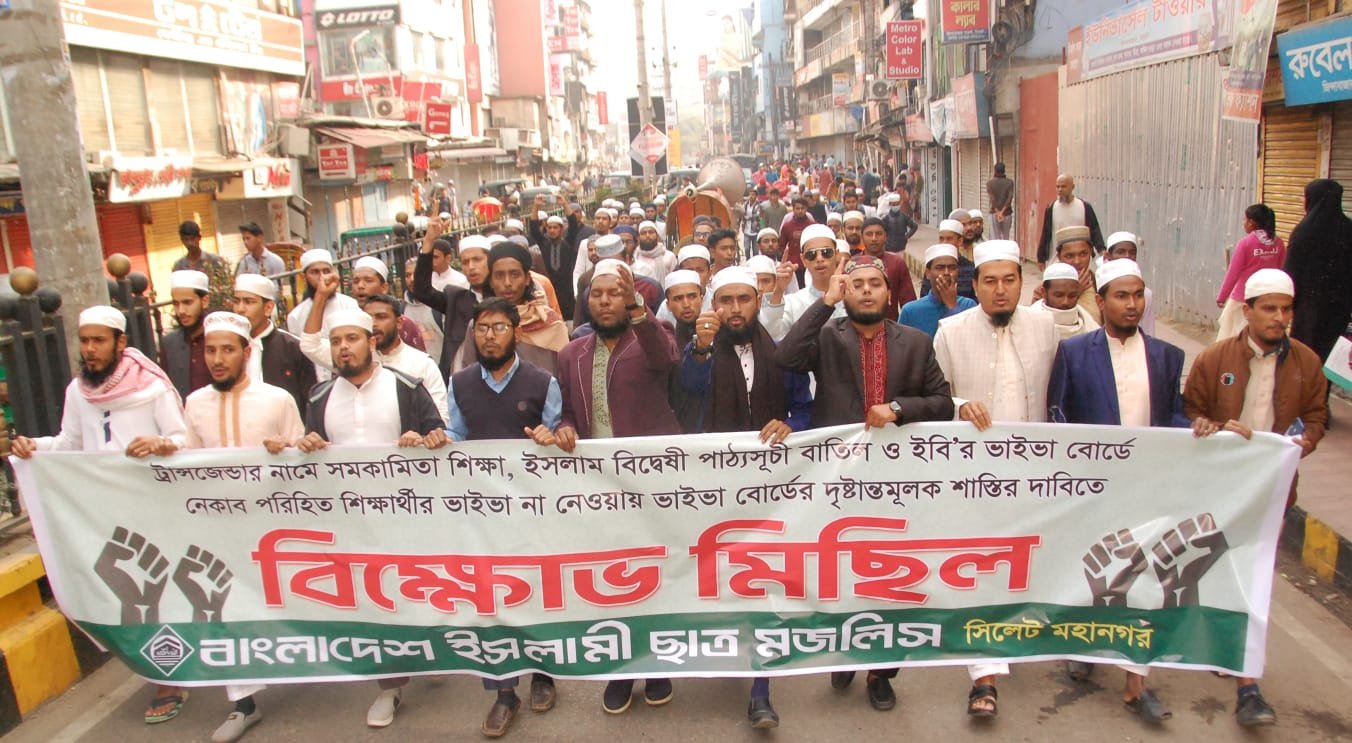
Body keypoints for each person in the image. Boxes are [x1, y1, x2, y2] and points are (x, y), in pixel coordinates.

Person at [775, 253, 953, 707]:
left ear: (889, 292)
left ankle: (881, 671)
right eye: (857, 285)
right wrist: (825, 303)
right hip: (837, 479)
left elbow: (942, 402)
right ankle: (844, 652)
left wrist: (898, 409)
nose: (867, 291)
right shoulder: (827, 336)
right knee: (839, 573)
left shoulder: (915, 342)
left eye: (875, 283)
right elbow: (786, 357)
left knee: (889, 577)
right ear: (845, 292)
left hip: (897, 481)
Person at [9, 306, 188, 726]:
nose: (90, 350)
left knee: (157, 593)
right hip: (102, 512)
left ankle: (169, 680)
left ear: (120, 343)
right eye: (85, 341)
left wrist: (160, 444)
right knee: (127, 597)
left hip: (152, 508)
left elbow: (183, 438)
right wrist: (34, 447)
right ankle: (158, 667)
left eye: (99, 341)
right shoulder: (79, 391)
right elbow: (69, 442)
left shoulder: (152, 388)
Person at [1046, 260, 1188, 725]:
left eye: (1138, 295)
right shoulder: (1074, 353)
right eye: (1122, 296)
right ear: (1102, 301)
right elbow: (1058, 416)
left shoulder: (1167, 357)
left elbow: (1175, 417)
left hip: (1149, 486)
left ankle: (1135, 682)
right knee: (1094, 571)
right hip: (1095, 489)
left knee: (1145, 579)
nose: (1132, 305)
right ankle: (1084, 646)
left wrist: (1204, 429)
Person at [1184, 268, 1327, 728]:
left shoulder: (1306, 363)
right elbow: (1190, 410)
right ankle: (1220, 644)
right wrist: (1208, 426)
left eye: (1286, 309)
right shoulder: (1215, 359)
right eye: (1269, 309)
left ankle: (1248, 684)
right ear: (1247, 311)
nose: (1279, 318)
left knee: (1255, 575)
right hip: (1220, 491)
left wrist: (1305, 441)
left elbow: (1317, 415)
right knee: (1218, 569)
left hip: (1271, 491)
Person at [294, 308, 448, 730]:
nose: (344, 348)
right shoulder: (319, 398)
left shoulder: (406, 387)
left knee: (414, 594)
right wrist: (307, 445)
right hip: (351, 524)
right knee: (374, 602)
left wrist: (424, 439)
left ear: (372, 341)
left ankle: (429, 648)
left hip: (407, 519)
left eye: (352, 339)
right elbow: (312, 454)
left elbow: (440, 437)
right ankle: (389, 686)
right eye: (336, 342)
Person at [676, 269, 810, 728]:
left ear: (758, 301)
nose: (735, 309)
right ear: (714, 306)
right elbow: (686, 394)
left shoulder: (782, 353)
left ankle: (760, 687)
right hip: (714, 485)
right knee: (720, 575)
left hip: (773, 486)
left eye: (744, 300)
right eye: (726, 300)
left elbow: (805, 407)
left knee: (762, 578)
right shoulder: (699, 351)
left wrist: (791, 425)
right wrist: (700, 349)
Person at [933, 240, 1059, 719]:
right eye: (990, 281)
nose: (1000, 290)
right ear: (976, 285)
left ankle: (1025, 636)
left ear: (1023, 283)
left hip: (1035, 475)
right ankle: (984, 677)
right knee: (982, 569)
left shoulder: (1046, 327)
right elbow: (934, 398)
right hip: (974, 477)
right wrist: (958, 405)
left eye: (1009, 280)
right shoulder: (950, 332)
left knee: (1028, 565)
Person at [551, 261, 679, 715]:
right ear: (586, 301)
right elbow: (568, 408)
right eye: (598, 294)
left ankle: (658, 664)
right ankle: (620, 668)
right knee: (611, 578)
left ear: (631, 297)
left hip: (650, 482)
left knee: (654, 573)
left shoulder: (654, 335)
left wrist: (640, 310)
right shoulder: (572, 352)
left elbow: (666, 360)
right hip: (598, 485)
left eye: (616, 293)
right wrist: (565, 427)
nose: (606, 301)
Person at [172, 311, 303, 743]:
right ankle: (242, 704)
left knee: (287, 601)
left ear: (247, 352)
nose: (217, 359)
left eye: (227, 350)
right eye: (211, 350)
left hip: (272, 527)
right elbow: (189, 461)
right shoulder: (195, 403)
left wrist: (286, 448)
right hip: (218, 526)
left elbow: (304, 459)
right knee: (223, 606)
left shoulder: (277, 400)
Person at [445, 297, 561, 737]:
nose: (489, 337)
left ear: (516, 331)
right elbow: (456, 435)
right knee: (490, 601)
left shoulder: (543, 382)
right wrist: (437, 439)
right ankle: (503, 692)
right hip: (482, 514)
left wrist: (551, 437)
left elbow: (558, 437)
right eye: (482, 329)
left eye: (498, 328)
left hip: (532, 512)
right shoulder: (459, 383)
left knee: (535, 594)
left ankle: (544, 675)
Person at [1284, 179, 1352, 365]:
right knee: (1331, 358)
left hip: (1308, 309)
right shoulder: (1348, 229)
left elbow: (1290, 273)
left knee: (1304, 356)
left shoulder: (1304, 232)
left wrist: (1287, 304)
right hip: (1340, 309)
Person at [232, 274, 316, 416]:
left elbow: (309, 403)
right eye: (236, 301)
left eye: (248, 302)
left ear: (268, 307)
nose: (240, 309)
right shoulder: (228, 348)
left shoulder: (293, 348)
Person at [410, 224, 479, 375]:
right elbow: (422, 292)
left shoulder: (504, 297)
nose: (471, 267)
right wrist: (428, 242)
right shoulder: (457, 299)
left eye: (477, 260)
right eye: (465, 262)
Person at [762, 224, 845, 340]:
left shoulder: (852, 297)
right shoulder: (793, 303)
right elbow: (771, 334)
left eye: (826, 252)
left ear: (837, 255)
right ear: (803, 260)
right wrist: (778, 291)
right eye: (811, 255)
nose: (819, 259)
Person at [286, 248, 359, 377]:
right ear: (304, 277)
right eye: (315, 272)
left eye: (326, 271)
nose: (322, 277)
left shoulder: (350, 305)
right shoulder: (295, 316)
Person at [1216, 205, 1284, 341]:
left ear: (1251, 222)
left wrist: (1222, 296)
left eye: (1244, 219)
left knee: (1235, 338)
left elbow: (1233, 273)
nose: (1243, 223)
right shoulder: (1278, 243)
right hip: (1268, 298)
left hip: (1244, 299)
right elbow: (1282, 271)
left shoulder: (1246, 243)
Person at [348, 256, 428, 350]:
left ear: (384, 287)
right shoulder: (347, 324)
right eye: (356, 281)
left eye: (368, 281)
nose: (360, 286)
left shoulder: (404, 325)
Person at [661, 270, 707, 433]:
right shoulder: (666, 343)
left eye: (692, 296)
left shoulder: (718, 337)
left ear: (701, 298)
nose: (686, 304)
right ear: (668, 305)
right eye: (678, 298)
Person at [899, 245, 977, 338]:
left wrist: (953, 307)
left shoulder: (969, 306)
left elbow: (970, 340)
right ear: (928, 273)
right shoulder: (910, 311)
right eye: (940, 268)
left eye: (952, 268)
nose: (946, 273)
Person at [160, 270, 212, 399]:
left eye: (187, 302)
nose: (181, 311)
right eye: (176, 304)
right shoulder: (169, 343)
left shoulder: (220, 337)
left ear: (205, 301)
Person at [1037, 174, 1106, 269]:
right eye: (1057, 187)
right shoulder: (1051, 208)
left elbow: (1094, 230)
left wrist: (1101, 250)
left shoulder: (1084, 207)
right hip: (1057, 259)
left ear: (1072, 187)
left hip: (1081, 259)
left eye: (1063, 186)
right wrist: (1041, 258)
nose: (1060, 190)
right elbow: (1045, 234)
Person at [528, 209, 582, 318]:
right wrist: (536, 206)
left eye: (555, 227)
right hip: (550, 287)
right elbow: (534, 229)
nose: (552, 230)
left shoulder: (567, 243)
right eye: (549, 227)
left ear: (561, 229)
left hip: (567, 289)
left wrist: (564, 204)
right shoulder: (544, 244)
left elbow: (573, 225)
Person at [858, 216, 916, 319]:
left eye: (878, 234)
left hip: (890, 324)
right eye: (869, 234)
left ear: (885, 236)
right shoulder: (853, 264)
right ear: (862, 238)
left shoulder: (897, 263)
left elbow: (908, 302)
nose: (874, 238)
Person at [1103, 232, 1156, 336]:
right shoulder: (1098, 287)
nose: (1127, 256)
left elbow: (1148, 331)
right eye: (1121, 252)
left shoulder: (1146, 294)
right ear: (1108, 256)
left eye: (1132, 253)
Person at [171, 220, 233, 309]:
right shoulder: (179, 266)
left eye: (192, 239)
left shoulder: (214, 261)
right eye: (186, 240)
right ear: (182, 240)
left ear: (199, 238)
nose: (190, 243)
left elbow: (226, 288)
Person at [1031, 262, 1100, 341]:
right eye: (1058, 295)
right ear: (1044, 293)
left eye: (1072, 296)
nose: (1065, 302)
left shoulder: (1085, 319)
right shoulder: (1031, 321)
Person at [1051, 225, 1102, 324]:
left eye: (1083, 254)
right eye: (1069, 256)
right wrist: (1074, 293)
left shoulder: (1099, 283)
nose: (1077, 261)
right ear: (1059, 257)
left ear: (1090, 253)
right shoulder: (1047, 287)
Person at [919, 219, 976, 300]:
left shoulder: (971, 267)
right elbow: (924, 297)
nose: (944, 243)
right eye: (941, 239)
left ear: (960, 241)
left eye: (949, 239)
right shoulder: (933, 266)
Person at [402, 257, 444, 364]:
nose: (412, 279)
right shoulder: (402, 308)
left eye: (416, 274)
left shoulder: (442, 304)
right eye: (407, 275)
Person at [779, 197, 815, 271]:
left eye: (803, 208)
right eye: (797, 208)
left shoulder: (813, 226)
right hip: (792, 265)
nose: (800, 211)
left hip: (809, 264)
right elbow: (782, 245)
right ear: (793, 209)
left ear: (806, 209)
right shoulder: (787, 226)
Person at [987, 163, 1014, 240]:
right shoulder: (1010, 182)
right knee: (1006, 237)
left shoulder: (990, 183)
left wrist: (998, 212)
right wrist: (1002, 212)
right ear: (1004, 170)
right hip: (1007, 213)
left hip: (994, 214)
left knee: (995, 238)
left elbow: (992, 199)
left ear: (995, 171)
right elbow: (1009, 199)